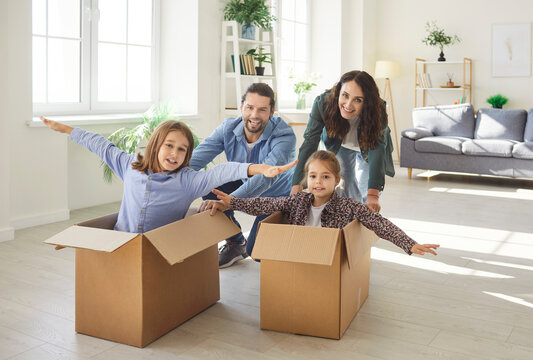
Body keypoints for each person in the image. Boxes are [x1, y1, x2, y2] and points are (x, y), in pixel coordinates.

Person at [40, 117, 296, 233]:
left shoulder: (188, 181)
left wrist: (257, 168)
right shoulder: (130, 165)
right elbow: (99, 144)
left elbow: (223, 170)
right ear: (156, 145)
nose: (174, 154)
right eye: (169, 146)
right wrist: (66, 129)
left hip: (159, 246)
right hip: (121, 239)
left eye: (182, 149)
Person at [204, 150, 439, 256]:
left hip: (327, 256)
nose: (318, 182)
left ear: (337, 180)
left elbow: (378, 223)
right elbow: (265, 205)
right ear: (307, 179)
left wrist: (409, 244)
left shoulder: (348, 206)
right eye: (314, 176)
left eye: (325, 177)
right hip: (299, 252)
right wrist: (233, 202)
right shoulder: (298, 200)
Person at [192, 83, 296, 268]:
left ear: (271, 111)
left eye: (262, 109)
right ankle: (236, 243)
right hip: (245, 186)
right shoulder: (228, 128)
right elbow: (196, 159)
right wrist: (165, 177)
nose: (254, 115)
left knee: (256, 251)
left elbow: (265, 178)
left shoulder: (284, 135)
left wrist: (231, 201)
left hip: (277, 197)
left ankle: (277, 244)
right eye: (249, 108)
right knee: (209, 185)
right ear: (241, 108)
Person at [291, 70, 395, 212]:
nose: (348, 104)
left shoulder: (378, 109)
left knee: (367, 189)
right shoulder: (322, 103)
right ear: (339, 91)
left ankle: (365, 219)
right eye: (345, 95)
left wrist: (372, 195)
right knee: (346, 182)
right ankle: (350, 215)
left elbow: (377, 149)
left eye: (358, 100)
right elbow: (310, 142)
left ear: (367, 102)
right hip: (339, 145)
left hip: (369, 146)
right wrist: (297, 184)